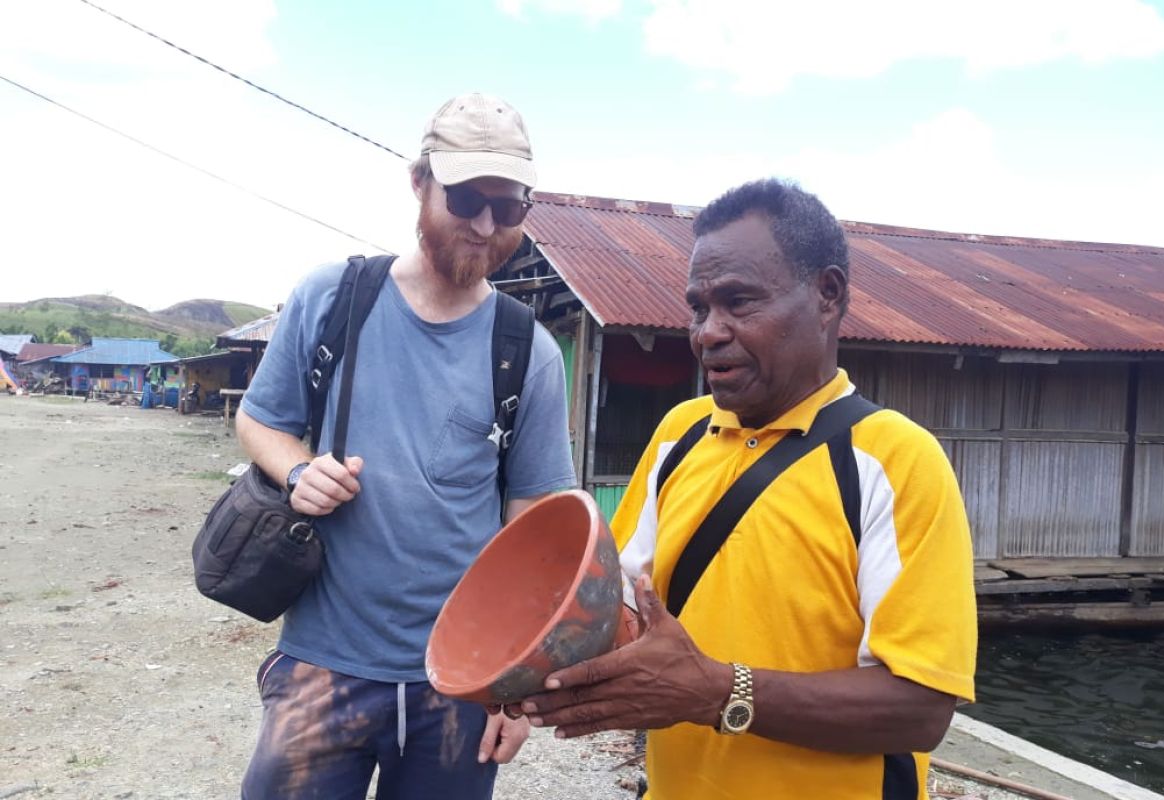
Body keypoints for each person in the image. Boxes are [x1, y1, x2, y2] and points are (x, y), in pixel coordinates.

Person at [517, 179, 977, 799]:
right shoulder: (680, 435)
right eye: (699, 307)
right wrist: (541, 666)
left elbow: (921, 710)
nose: (709, 331)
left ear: (827, 296)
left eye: (739, 302)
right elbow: (620, 603)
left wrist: (716, 690)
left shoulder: (893, 461)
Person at [235, 93, 576, 799]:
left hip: (459, 680)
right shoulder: (332, 298)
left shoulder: (528, 351)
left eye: (508, 208)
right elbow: (260, 420)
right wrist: (299, 470)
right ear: (419, 182)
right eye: (467, 199)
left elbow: (534, 524)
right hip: (322, 663)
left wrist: (516, 686)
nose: (486, 226)